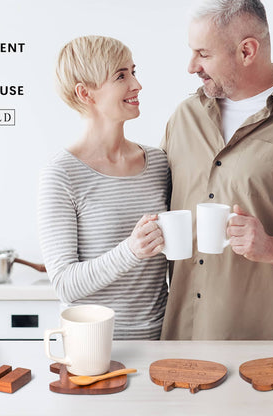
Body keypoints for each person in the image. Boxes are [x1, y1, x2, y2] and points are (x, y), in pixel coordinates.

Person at [161, 0, 273, 340]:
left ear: (247, 50)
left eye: (204, 54)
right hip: (185, 343)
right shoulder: (184, 119)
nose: (191, 66)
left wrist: (272, 247)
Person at [38, 36, 170, 340]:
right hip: (94, 348)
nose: (137, 84)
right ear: (86, 93)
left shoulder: (159, 162)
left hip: (163, 341)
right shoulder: (61, 173)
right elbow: (64, 283)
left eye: (134, 72)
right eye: (121, 76)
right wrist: (131, 250)